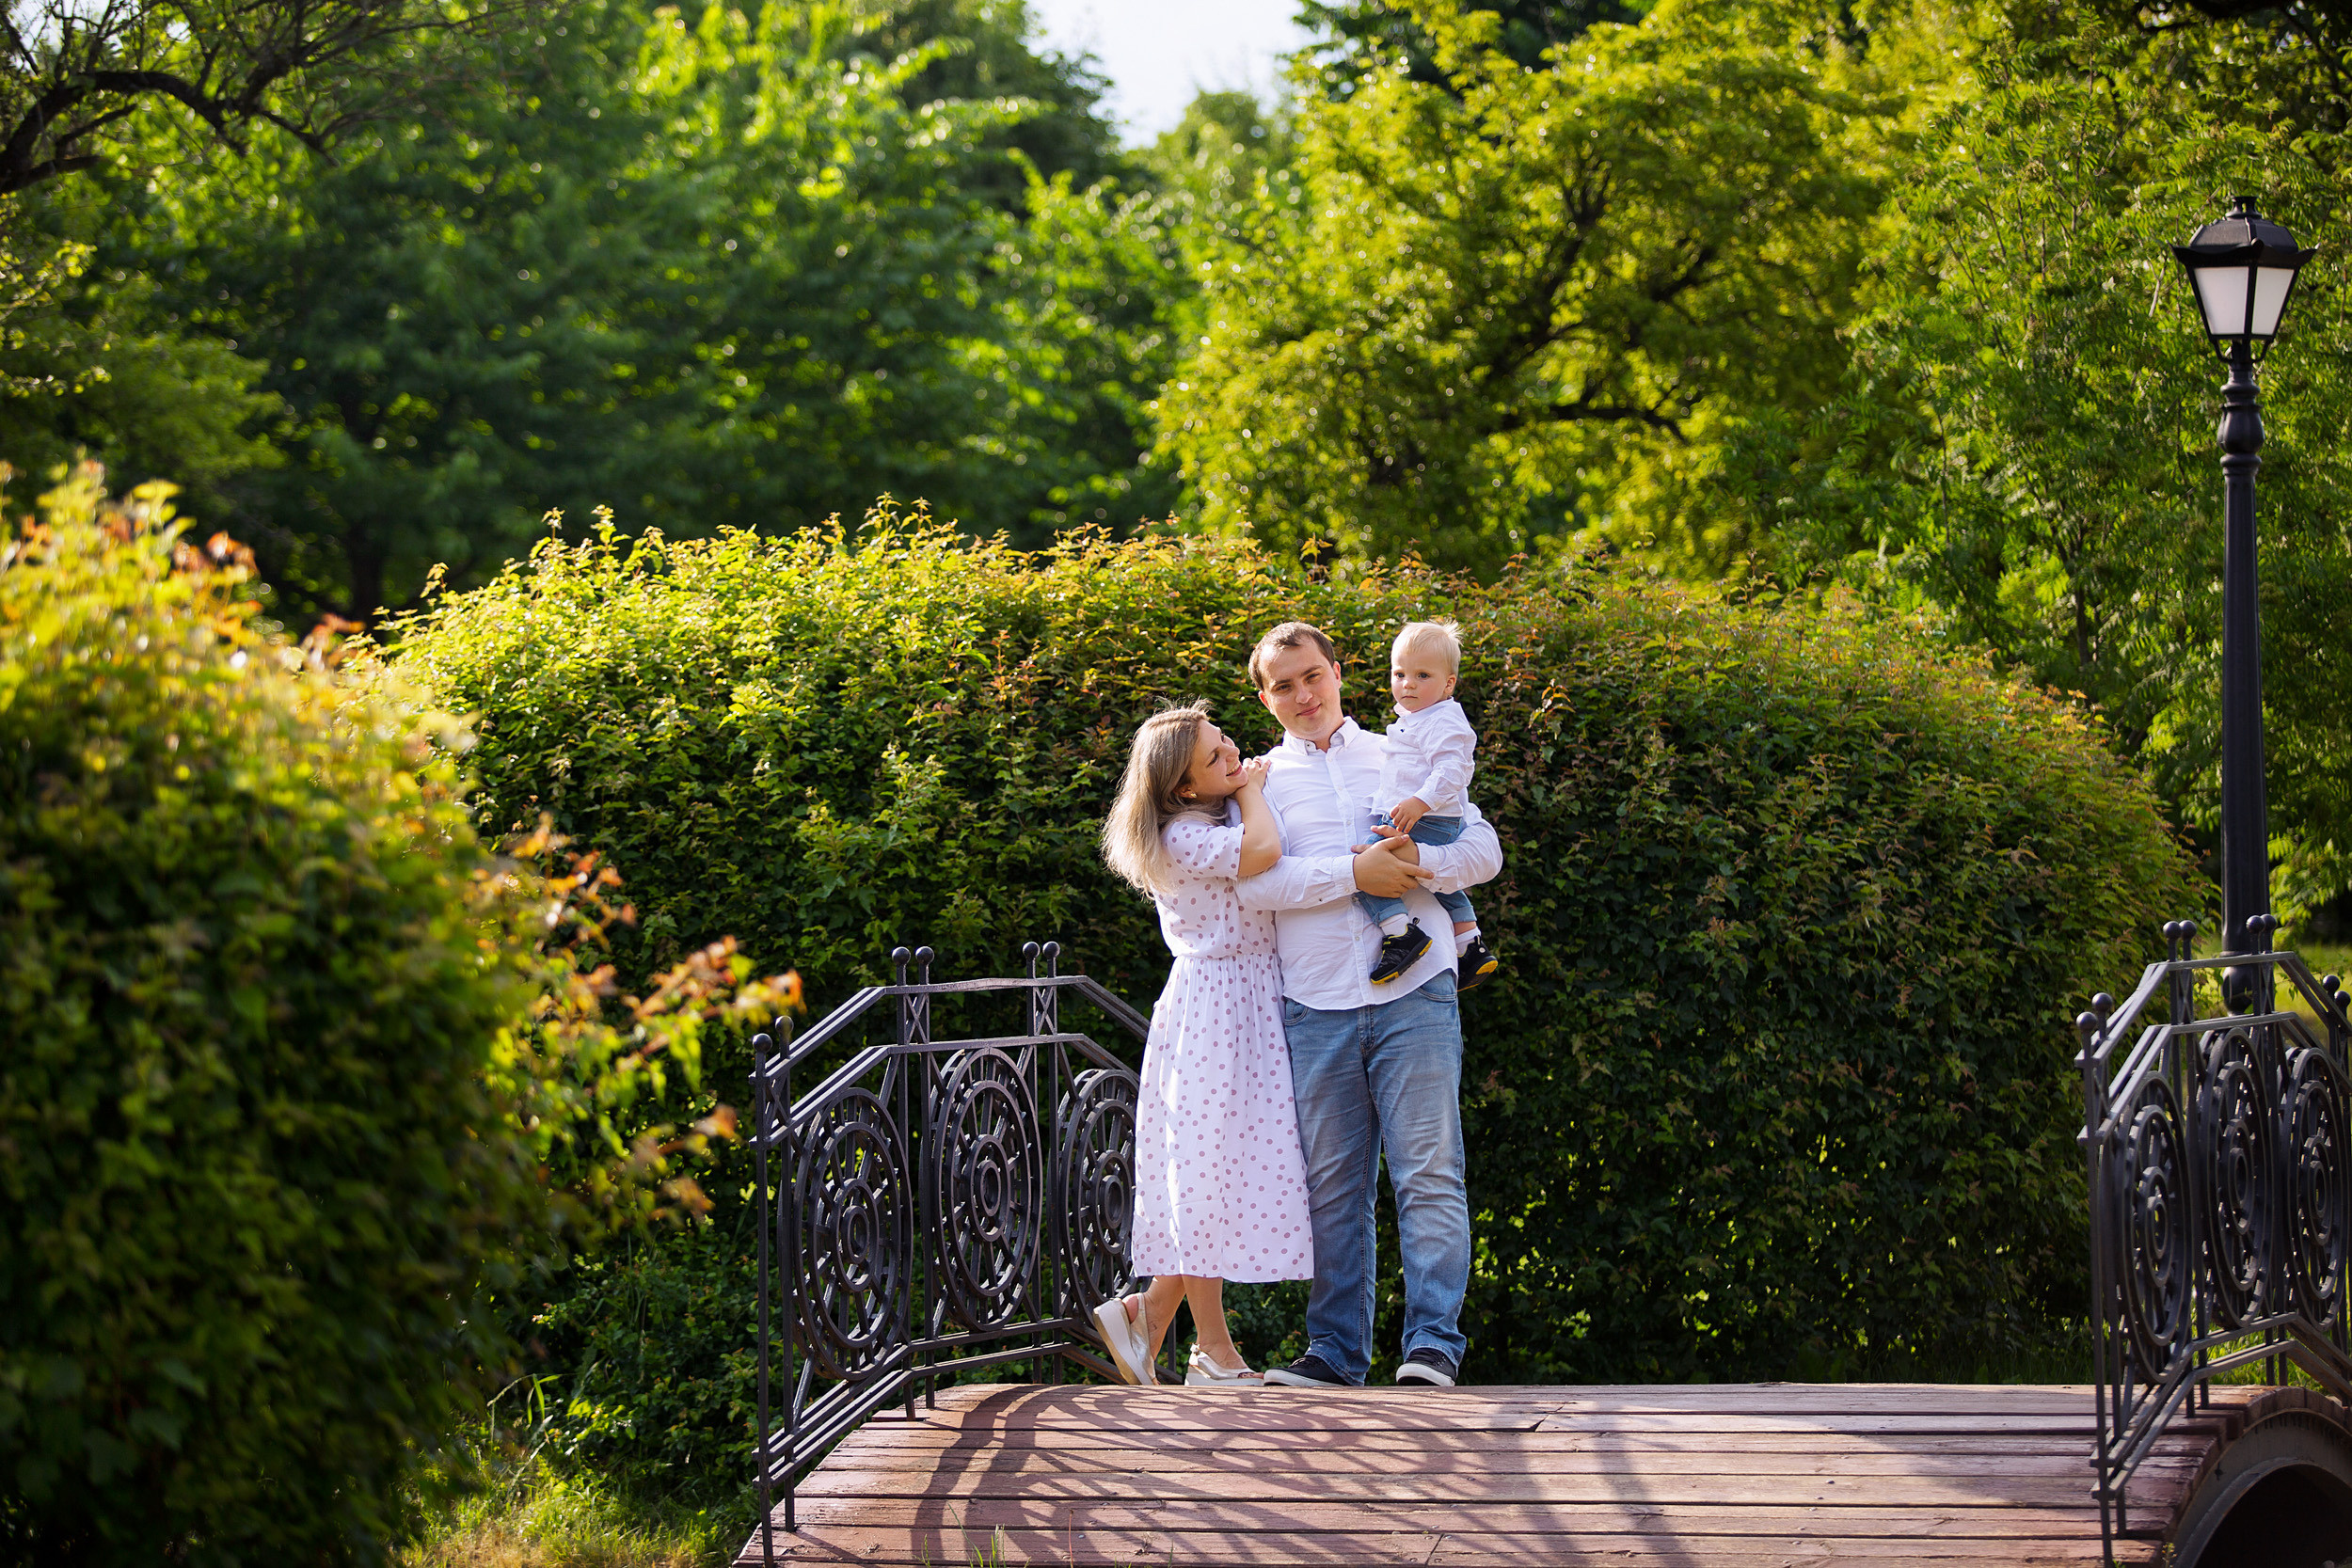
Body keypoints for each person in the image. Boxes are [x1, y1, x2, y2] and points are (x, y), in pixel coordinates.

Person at [1235, 621, 1502, 1390]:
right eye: (1283, 684)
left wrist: (1420, 862)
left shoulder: (1402, 752)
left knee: (1430, 1172)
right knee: (1333, 1187)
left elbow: (1484, 852)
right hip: (1315, 1003)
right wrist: (1357, 873)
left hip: (1416, 996)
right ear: (1266, 696)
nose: (1302, 694)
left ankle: (1431, 1348)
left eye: (1311, 675)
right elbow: (1257, 886)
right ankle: (1336, 1354)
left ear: (1339, 673)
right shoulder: (1258, 785)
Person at [1092, 703, 1315, 1387]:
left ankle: (1153, 1316)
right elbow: (1267, 853)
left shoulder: (1210, 815)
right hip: (1216, 1010)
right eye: (1217, 759)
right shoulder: (1185, 836)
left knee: (1217, 1174)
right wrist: (1251, 786)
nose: (1234, 758)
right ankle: (1205, 1347)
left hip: (1244, 1003)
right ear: (1184, 788)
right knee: (1207, 1175)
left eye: (1228, 745)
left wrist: (1248, 785)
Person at [1354, 617, 1500, 990]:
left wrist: (1419, 802)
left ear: (1449, 683)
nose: (1408, 684)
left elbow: (1455, 769)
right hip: (1428, 816)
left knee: (1368, 869)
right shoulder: (1420, 718)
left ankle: (1400, 933)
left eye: (1422, 676)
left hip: (1429, 817)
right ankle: (1470, 944)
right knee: (1440, 883)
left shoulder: (1443, 719)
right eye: (1400, 673)